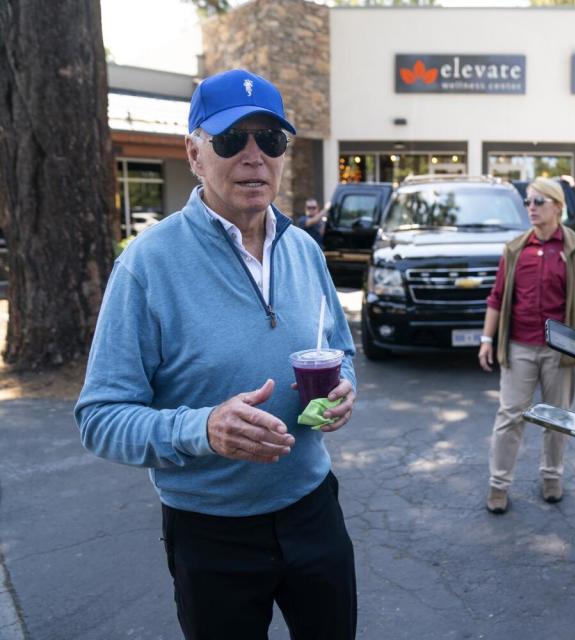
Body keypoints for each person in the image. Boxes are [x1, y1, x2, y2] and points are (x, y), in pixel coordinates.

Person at [75, 69, 358, 640]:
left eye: (270, 140)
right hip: (211, 531)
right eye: (232, 139)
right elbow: (99, 418)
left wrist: (343, 388)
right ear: (195, 154)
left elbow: (341, 352)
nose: (254, 157)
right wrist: (204, 429)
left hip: (313, 509)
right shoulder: (147, 264)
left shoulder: (304, 248)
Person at [478, 176, 575, 513]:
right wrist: (487, 339)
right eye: (528, 202)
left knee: (557, 418)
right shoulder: (515, 248)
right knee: (509, 417)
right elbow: (497, 297)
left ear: (557, 207)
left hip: (561, 352)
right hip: (518, 346)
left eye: (538, 202)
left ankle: (552, 477)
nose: (530, 208)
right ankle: (498, 484)